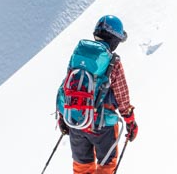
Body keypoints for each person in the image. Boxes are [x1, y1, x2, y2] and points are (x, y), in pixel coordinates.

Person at [58, 15, 138, 174]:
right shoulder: (113, 61)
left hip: (76, 121)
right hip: (103, 125)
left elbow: (67, 85)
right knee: (106, 167)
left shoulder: (79, 54)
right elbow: (122, 97)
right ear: (115, 39)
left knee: (82, 168)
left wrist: (63, 115)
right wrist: (130, 121)